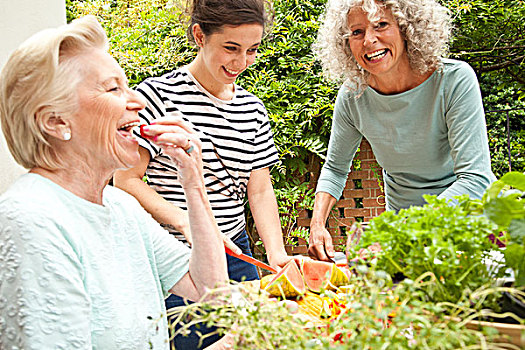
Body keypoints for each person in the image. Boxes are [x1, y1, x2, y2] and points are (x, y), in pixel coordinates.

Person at [0, 15, 228, 349]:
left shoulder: (120, 206)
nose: (138, 102)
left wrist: (193, 183)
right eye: (113, 88)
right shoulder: (31, 220)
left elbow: (211, 291)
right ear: (55, 121)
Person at [114, 0, 290, 289]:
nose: (241, 62)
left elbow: (259, 190)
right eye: (231, 48)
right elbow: (125, 180)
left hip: (235, 253)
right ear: (200, 36)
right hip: (175, 254)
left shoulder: (253, 110)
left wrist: (276, 253)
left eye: (252, 50)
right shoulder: (158, 96)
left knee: (245, 334)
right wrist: (186, 222)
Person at [307, 0, 496, 262]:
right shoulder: (353, 96)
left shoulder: (453, 80)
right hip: (405, 235)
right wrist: (317, 225)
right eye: (357, 32)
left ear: (408, 28)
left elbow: (475, 179)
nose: (369, 40)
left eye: (381, 25)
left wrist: (403, 230)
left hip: (466, 226)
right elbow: (336, 169)